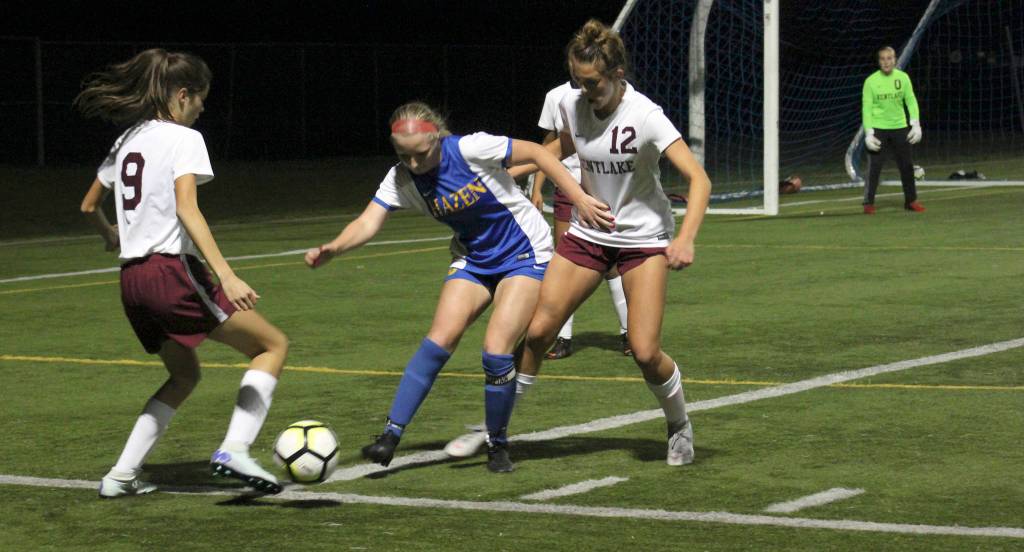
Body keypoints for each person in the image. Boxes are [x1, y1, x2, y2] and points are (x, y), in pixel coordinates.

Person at [451, 19, 711, 466]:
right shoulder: (572, 104)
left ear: (617, 75)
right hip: (589, 233)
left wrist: (685, 238)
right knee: (538, 332)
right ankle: (495, 427)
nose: (584, 90)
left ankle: (678, 425)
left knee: (645, 351)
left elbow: (699, 179)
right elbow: (561, 148)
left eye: (592, 83)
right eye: (577, 81)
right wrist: (509, 174)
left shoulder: (645, 115)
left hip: (643, 239)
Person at [305, 102, 611, 473]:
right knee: (439, 340)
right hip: (474, 258)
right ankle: (390, 435)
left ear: (437, 138)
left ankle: (497, 444)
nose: (413, 163)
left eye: (420, 154)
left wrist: (578, 197)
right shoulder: (401, 178)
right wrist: (335, 247)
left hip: (525, 253)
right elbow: (368, 222)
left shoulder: (469, 149)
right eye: (404, 156)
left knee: (496, 351)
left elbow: (536, 152)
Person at [76, 49, 289, 497]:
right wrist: (226, 275)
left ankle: (120, 475)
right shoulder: (184, 138)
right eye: (201, 99)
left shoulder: (128, 138)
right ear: (182, 95)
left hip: (132, 281)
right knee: (271, 346)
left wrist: (111, 233)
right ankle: (235, 449)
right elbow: (186, 208)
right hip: (170, 272)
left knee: (184, 375)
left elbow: (89, 205)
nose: (202, 108)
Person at [529, 82, 632, 361]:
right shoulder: (555, 96)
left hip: (598, 189)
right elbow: (548, 147)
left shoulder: (614, 94)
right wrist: (537, 187)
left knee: (610, 265)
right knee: (564, 262)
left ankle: (628, 332)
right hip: (566, 188)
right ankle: (563, 338)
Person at [862, 46, 924, 214]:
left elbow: (911, 101)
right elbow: (866, 108)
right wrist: (869, 133)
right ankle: (868, 203)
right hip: (878, 129)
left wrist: (915, 124)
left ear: (895, 60)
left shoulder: (903, 78)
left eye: (889, 58)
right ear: (879, 61)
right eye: (882, 59)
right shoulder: (870, 81)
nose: (886, 62)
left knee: (906, 166)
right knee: (874, 167)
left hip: (899, 128)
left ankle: (911, 201)